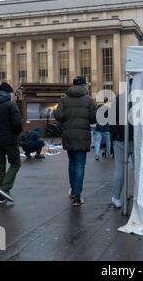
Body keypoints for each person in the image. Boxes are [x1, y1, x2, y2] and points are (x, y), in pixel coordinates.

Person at [54, 76, 97, 207]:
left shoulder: (64, 100)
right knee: (80, 165)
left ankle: (73, 191)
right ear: (84, 86)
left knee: (72, 163)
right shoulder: (89, 100)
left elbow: (59, 116)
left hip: (68, 135)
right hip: (82, 136)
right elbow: (93, 119)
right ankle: (77, 196)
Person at [110, 79, 134, 209]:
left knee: (120, 170)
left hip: (120, 139)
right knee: (139, 170)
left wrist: (114, 136)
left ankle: (116, 197)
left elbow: (111, 120)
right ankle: (139, 196)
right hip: (136, 140)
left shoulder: (119, 98)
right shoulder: (141, 99)